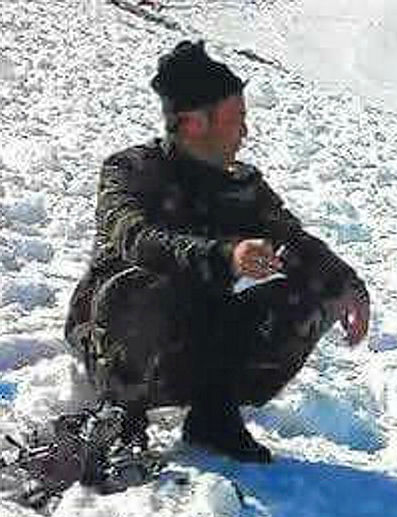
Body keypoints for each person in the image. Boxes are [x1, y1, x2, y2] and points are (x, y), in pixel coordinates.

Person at [64, 40, 370, 463]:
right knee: (147, 280)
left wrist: (347, 284)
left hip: (198, 344)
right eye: (236, 120)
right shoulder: (131, 170)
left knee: (308, 290)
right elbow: (137, 239)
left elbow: (294, 240)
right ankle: (122, 412)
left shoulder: (242, 185)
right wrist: (226, 255)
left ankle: (215, 412)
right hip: (118, 339)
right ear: (193, 124)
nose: (245, 133)